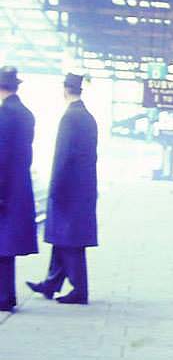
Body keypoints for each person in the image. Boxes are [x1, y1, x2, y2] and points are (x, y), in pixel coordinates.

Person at [27, 73, 98, 305]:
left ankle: (80, 290)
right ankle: (51, 284)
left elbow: (62, 157)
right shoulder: (88, 117)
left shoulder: (70, 118)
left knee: (70, 240)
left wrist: (55, 187)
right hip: (83, 188)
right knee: (63, 238)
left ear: (65, 90)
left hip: (68, 190)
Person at [0, 67, 38, 312]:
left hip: (4, 188)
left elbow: (1, 156)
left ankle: (3, 297)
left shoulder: (4, 114)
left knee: (1, 246)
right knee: (6, 246)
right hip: (18, 185)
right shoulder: (26, 113)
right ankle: (7, 295)